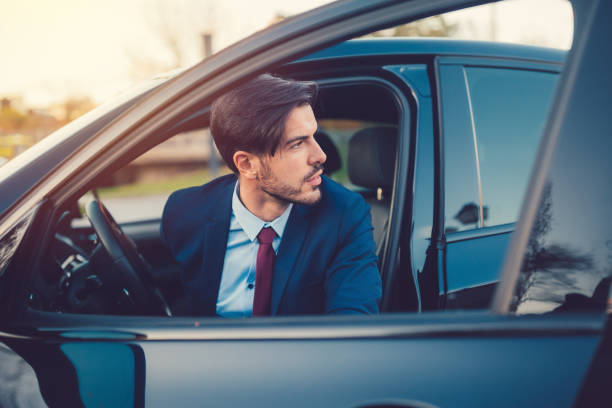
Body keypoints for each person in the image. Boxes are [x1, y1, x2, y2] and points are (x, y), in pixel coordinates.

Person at [161, 74, 381, 317]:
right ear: (246, 164)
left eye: (314, 136)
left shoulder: (344, 214)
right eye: (297, 144)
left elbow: (351, 326)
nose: (320, 155)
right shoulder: (184, 212)